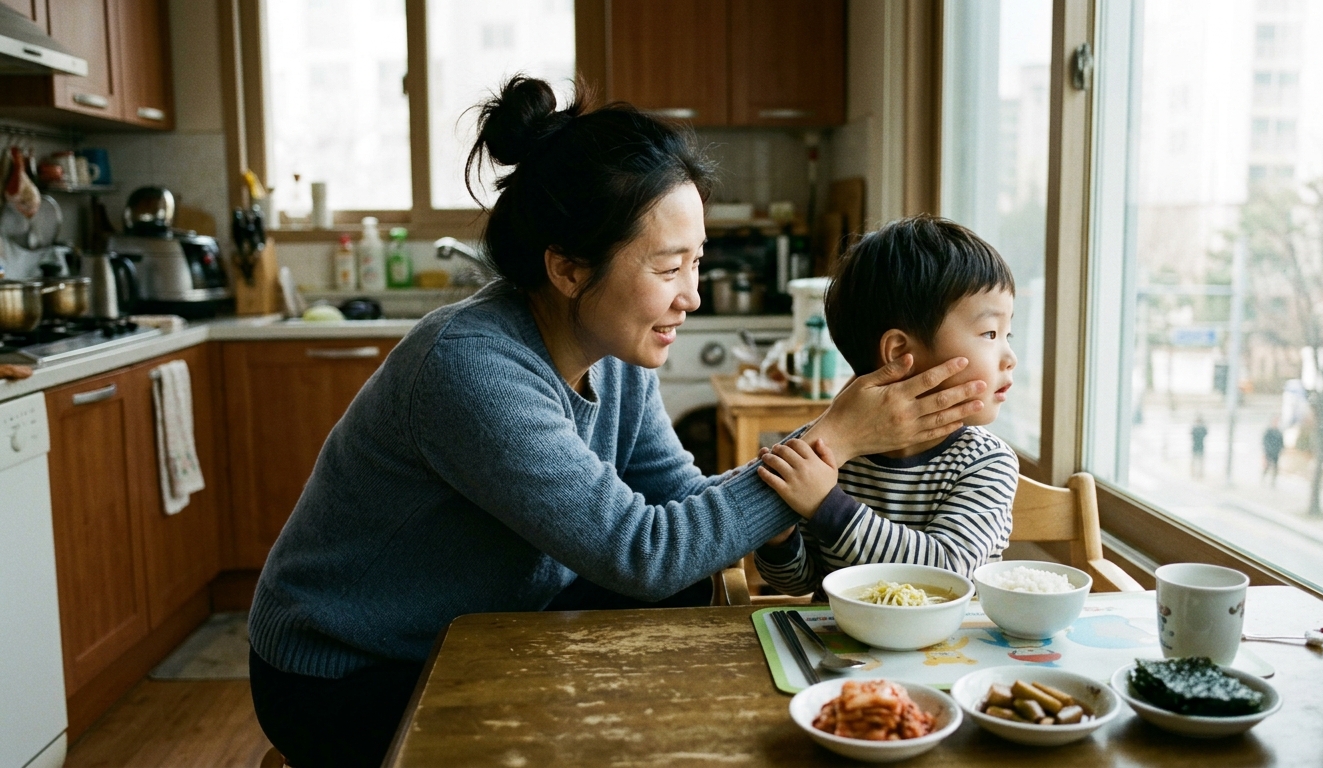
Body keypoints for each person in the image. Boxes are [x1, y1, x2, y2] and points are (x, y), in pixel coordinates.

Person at [245, 78, 986, 768]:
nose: (692, 296)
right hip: (349, 671)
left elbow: (681, 503)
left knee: (687, 593)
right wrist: (838, 438)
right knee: (663, 595)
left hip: (484, 618)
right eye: (668, 268)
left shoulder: (614, 351)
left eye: (697, 263)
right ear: (569, 269)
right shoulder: (470, 368)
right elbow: (643, 552)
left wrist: (814, 461)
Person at [752, 216, 1020, 597]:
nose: (1010, 357)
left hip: (949, 638)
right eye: (990, 333)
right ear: (898, 353)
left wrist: (827, 507)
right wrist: (779, 537)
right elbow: (797, 583)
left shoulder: (986, 463)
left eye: (1008, 334)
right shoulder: (832, 452)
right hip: (838, 635)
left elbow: (947, 572)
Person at [1263, 419, 1285, 486]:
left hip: (1276, 453)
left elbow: (1281, 442)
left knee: (1275, 467)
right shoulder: (1269, 432)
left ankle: (1273, 481)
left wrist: (1280, 449)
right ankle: (1264, 477)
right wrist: (1267, 449)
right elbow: (1265, 441)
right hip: (1269, 452)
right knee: (1267, 466)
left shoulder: (1279, 432)